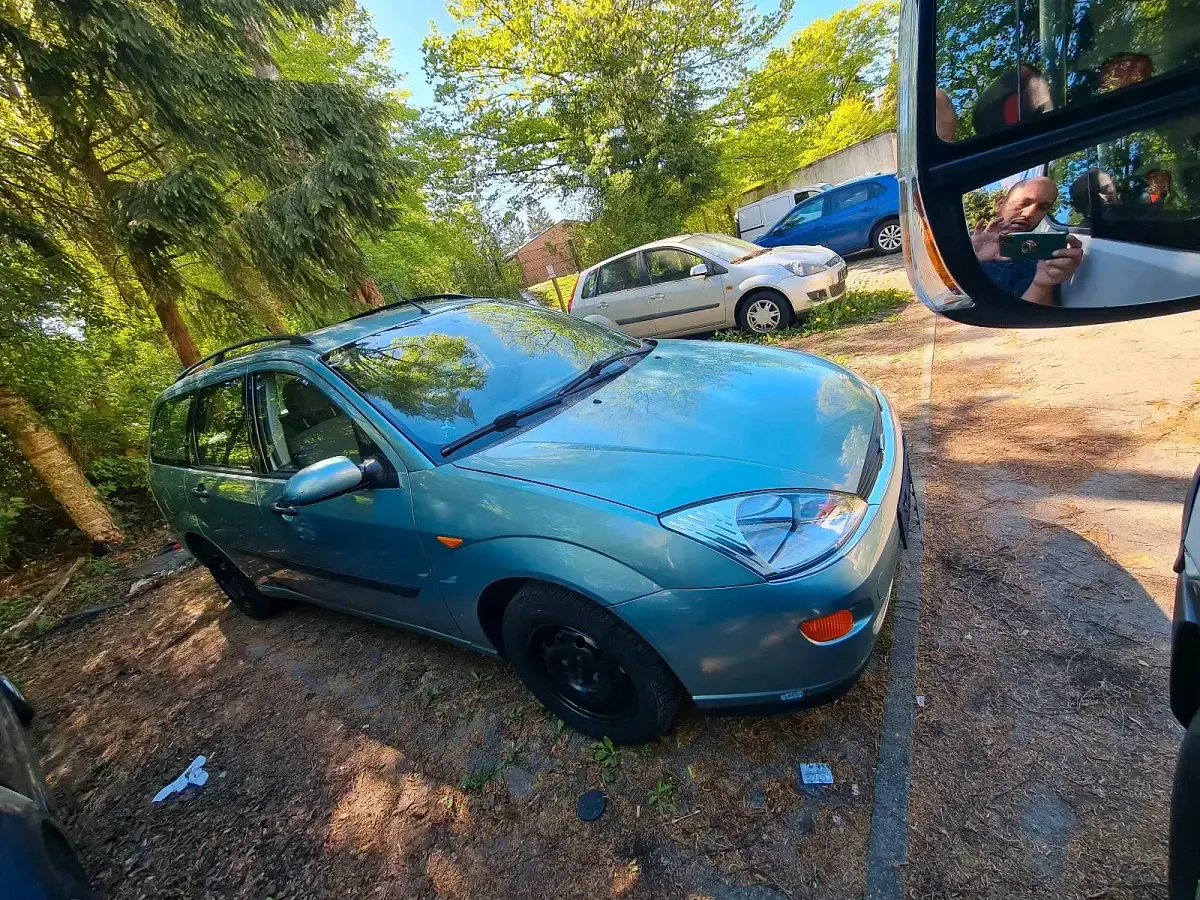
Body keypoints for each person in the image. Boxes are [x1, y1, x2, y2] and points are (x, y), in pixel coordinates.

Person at [971, 177, 1085, 306]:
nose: (1030, 213)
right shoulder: (967, 242)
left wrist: (1041, 285)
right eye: (1023, 203)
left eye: (1043, 207)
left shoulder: (1044, 259)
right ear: (1000, 204)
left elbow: (1033, 317)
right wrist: (970, 258)